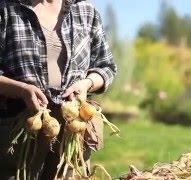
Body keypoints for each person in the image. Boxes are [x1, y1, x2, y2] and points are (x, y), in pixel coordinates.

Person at [0, 0, 117, 179]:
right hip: (21, 127)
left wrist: (86, 83)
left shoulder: (86, 10)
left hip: (73, 129)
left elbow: (106, 66)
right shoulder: (6, 9)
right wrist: (22, 90)